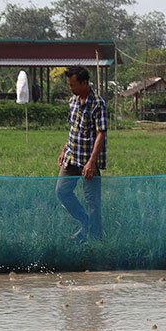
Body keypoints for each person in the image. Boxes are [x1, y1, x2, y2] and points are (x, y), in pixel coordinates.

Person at [56, 65, 106, 241]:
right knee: (62, 191)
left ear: (84, 83)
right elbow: (73, 129)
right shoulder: (73, 101)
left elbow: (101, 133)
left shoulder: (98, 104)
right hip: (71, 158)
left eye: (73, 85)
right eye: (69, 84)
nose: (70, 88)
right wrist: (64, 150)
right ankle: (85, 222)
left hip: (88, 161)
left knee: (93, 203)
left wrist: (92, 162)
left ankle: (96, 240)